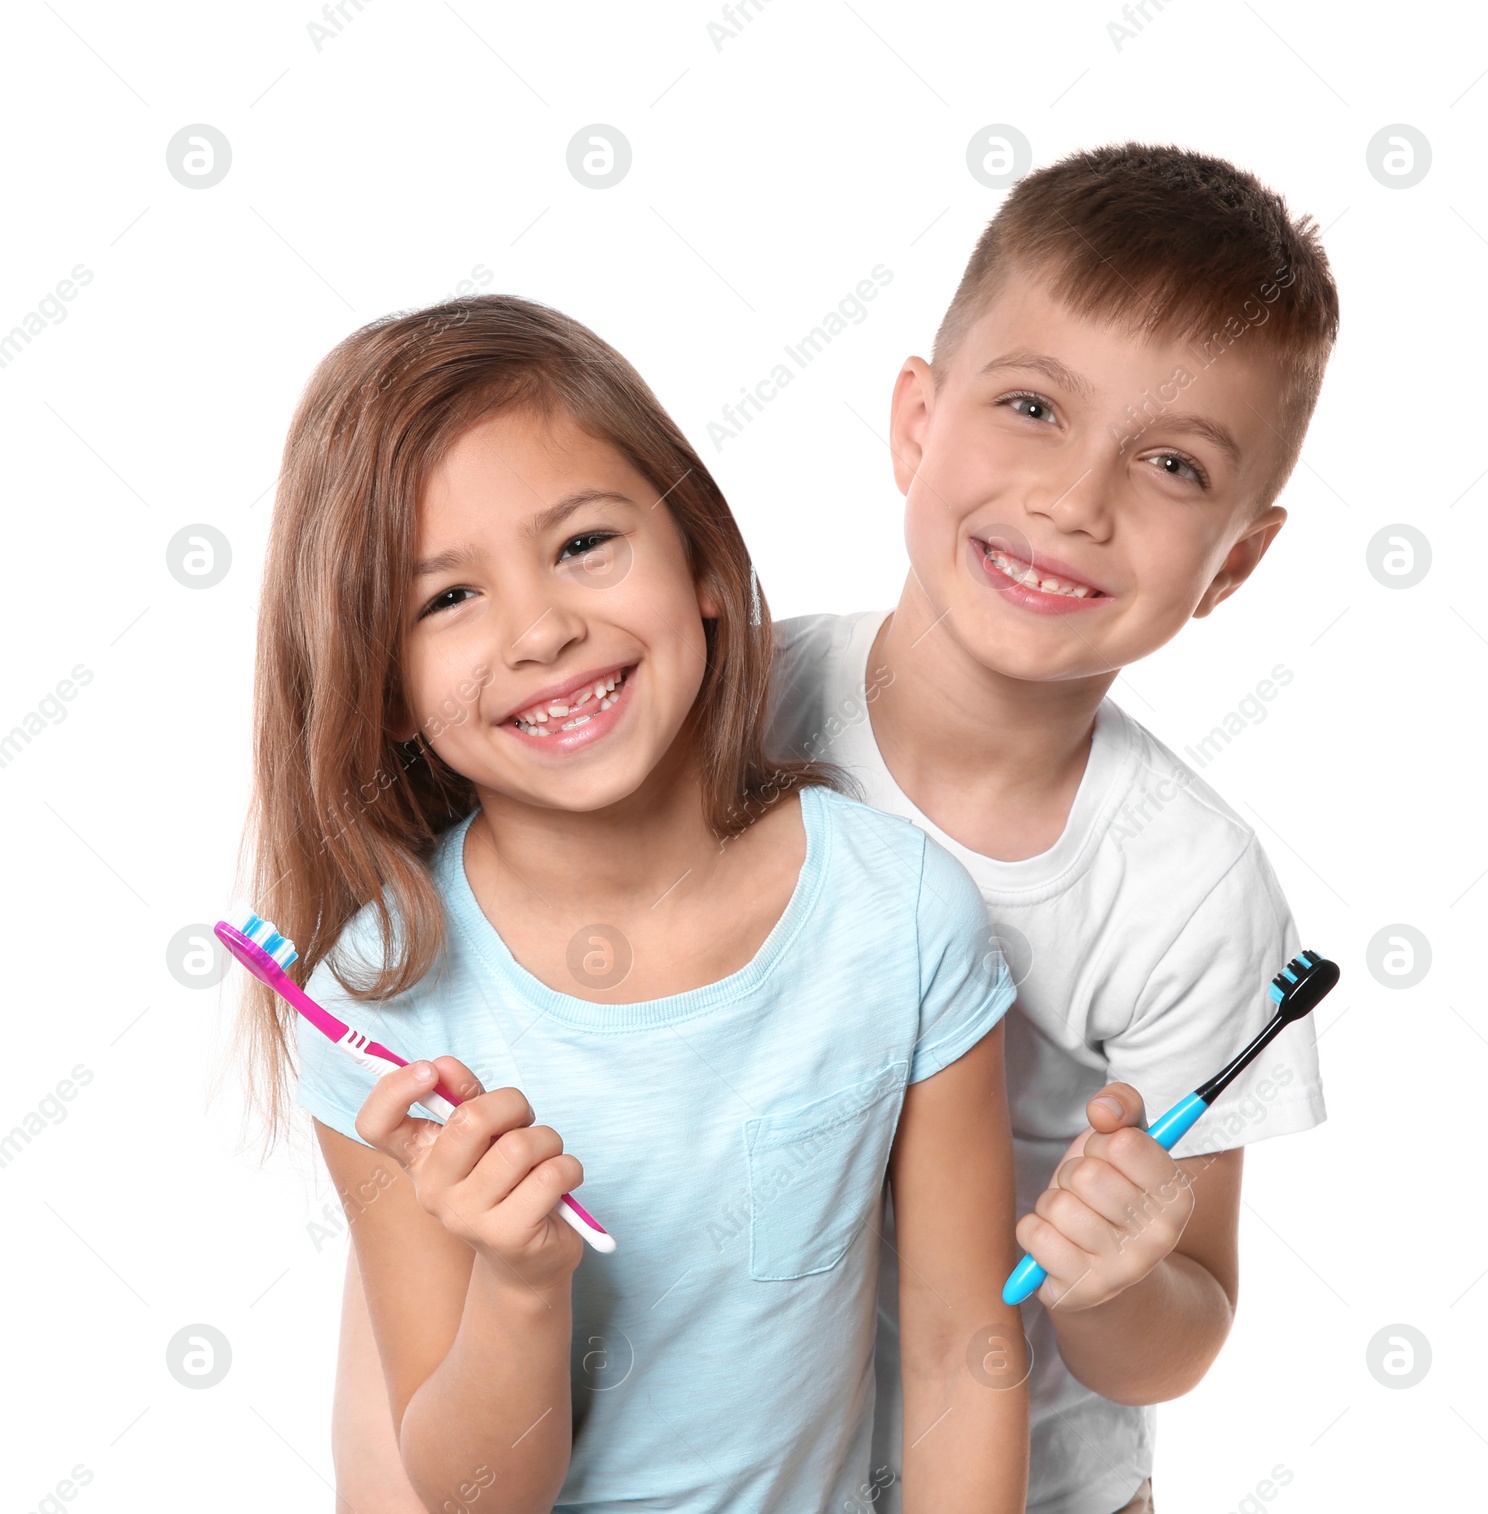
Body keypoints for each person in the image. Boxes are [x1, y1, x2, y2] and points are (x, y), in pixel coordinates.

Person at [235, 293, 1028, 1512]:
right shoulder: (377, 1001)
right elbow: (473, 1490)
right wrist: (519, 1279)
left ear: (704, 563)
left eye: (583, 544)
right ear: (385, 689)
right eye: (446, 599)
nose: (544, 628)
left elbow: (958, 1357)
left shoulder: (899, 914)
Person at [766, 141, 1339, 1514]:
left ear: (1236, 564)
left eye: (1171, 466)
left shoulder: (1194, 889)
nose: (1076, 502)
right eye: (1031, 404)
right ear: (916, 419)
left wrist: (1125, 1274)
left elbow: (1180, 1340)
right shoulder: (732, 713)